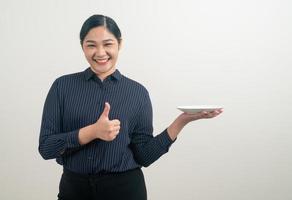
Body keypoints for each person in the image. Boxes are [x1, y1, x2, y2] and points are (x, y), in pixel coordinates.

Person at [38, 14, 223, 200]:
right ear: (82, 47)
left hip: (125, 190)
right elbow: (46, 148)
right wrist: (93, 131)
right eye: (91, 45)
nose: (100, 52)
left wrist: (181, 122)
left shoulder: (137, 93)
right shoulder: (62, 87)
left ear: (120, 44)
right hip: (75, 190)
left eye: (108, 44)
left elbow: (144, 156)